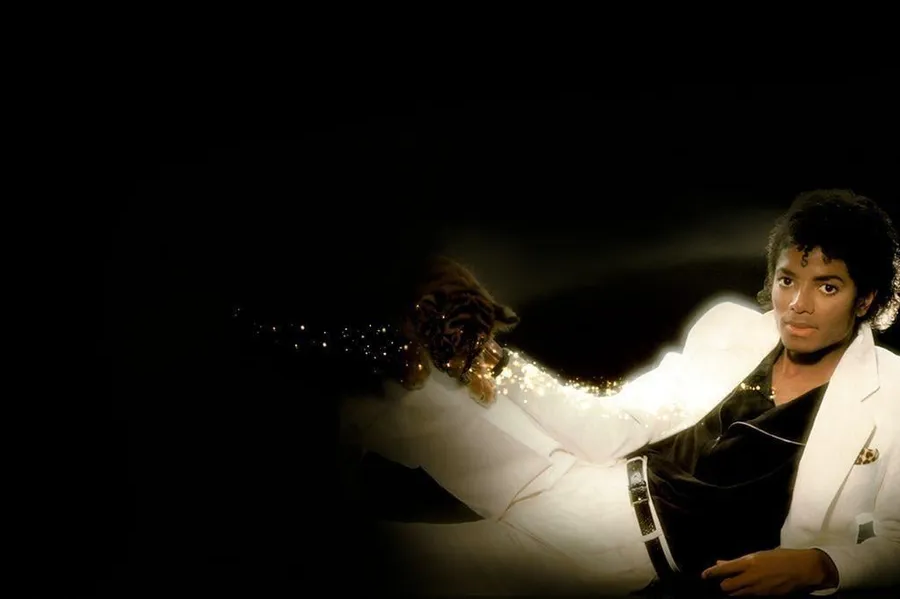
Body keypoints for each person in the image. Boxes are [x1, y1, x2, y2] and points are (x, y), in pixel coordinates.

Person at [340, 189, 900, 596]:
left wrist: (822, 564)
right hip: (582, 478)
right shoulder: (732, 331)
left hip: (618, 556)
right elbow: (620, 423)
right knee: (386, 398)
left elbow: (896, 539)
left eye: (827, 286)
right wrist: (495, 359)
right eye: (787, 279)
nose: (797, 304)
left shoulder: (892, 394)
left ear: (866, 298)